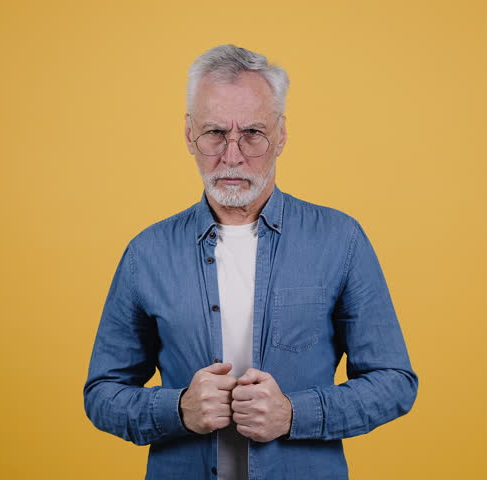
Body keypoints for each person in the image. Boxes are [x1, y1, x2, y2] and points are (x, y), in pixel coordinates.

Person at [83, 44, 418, 480]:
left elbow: (394, 383)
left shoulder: (341, 240)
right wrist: (179, 408)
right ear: (189, 135)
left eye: (254, 133)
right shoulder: (146, 253)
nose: (233, 155)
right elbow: (102, 394)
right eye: (215, 133)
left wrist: (293, 414)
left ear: (281, 134)